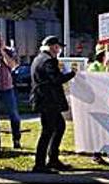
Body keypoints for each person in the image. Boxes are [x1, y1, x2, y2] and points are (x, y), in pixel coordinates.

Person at [29, 36, 75, 173]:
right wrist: (71, 74)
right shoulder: (48, 61)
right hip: (48, 101)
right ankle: (40, 164)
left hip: (44, 100)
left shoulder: (39, 58)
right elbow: (56, 79)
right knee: (48, 131)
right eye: (57, 47)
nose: (58, 49)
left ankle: (53, 159)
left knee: (59, 126)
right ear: (51, 47)